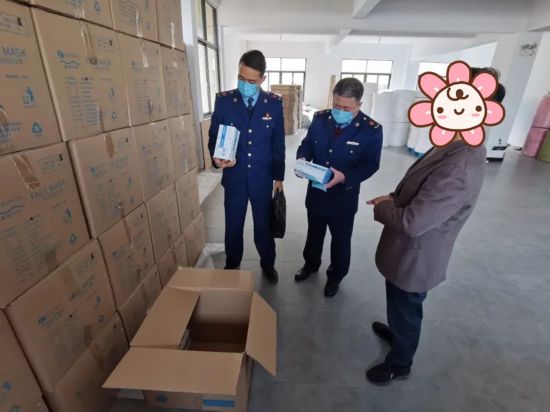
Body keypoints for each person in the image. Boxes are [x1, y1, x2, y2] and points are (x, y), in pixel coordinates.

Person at [365, 67, 506, 385]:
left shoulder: (461, 165)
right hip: (406, 250)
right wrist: (395, 196)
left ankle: (400, 362)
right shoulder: (451, 141)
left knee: (407, 307)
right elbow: (419, 189)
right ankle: (398, 335)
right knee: (398, 303)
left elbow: (413, 222)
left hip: (418, 254)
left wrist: (384, 206)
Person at [295, 78, 383, 297]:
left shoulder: (371, 129)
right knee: (314, 233)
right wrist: (302, 160)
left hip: (343, 198)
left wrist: (345, 177)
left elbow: (371, 164)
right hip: (316, 192)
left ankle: (335, 277)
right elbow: (307, 144)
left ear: (359, 105)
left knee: (341, 240)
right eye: (336, 105)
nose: (340, 111)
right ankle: (310, 264)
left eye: (346, 108)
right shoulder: (320, 119)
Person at [208, 50, 285, 282]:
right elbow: (214, 137)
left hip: (262, 178)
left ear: (262, 79)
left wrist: (278, 178)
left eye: (251, 81)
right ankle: (232, 263)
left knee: (263, 225)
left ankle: (268, 263)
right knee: (233, 224)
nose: (245, 84)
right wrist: (216, 158)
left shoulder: (274, 103)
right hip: (235, 177)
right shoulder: (224, 101)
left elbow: (278, 143)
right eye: (241, 78)